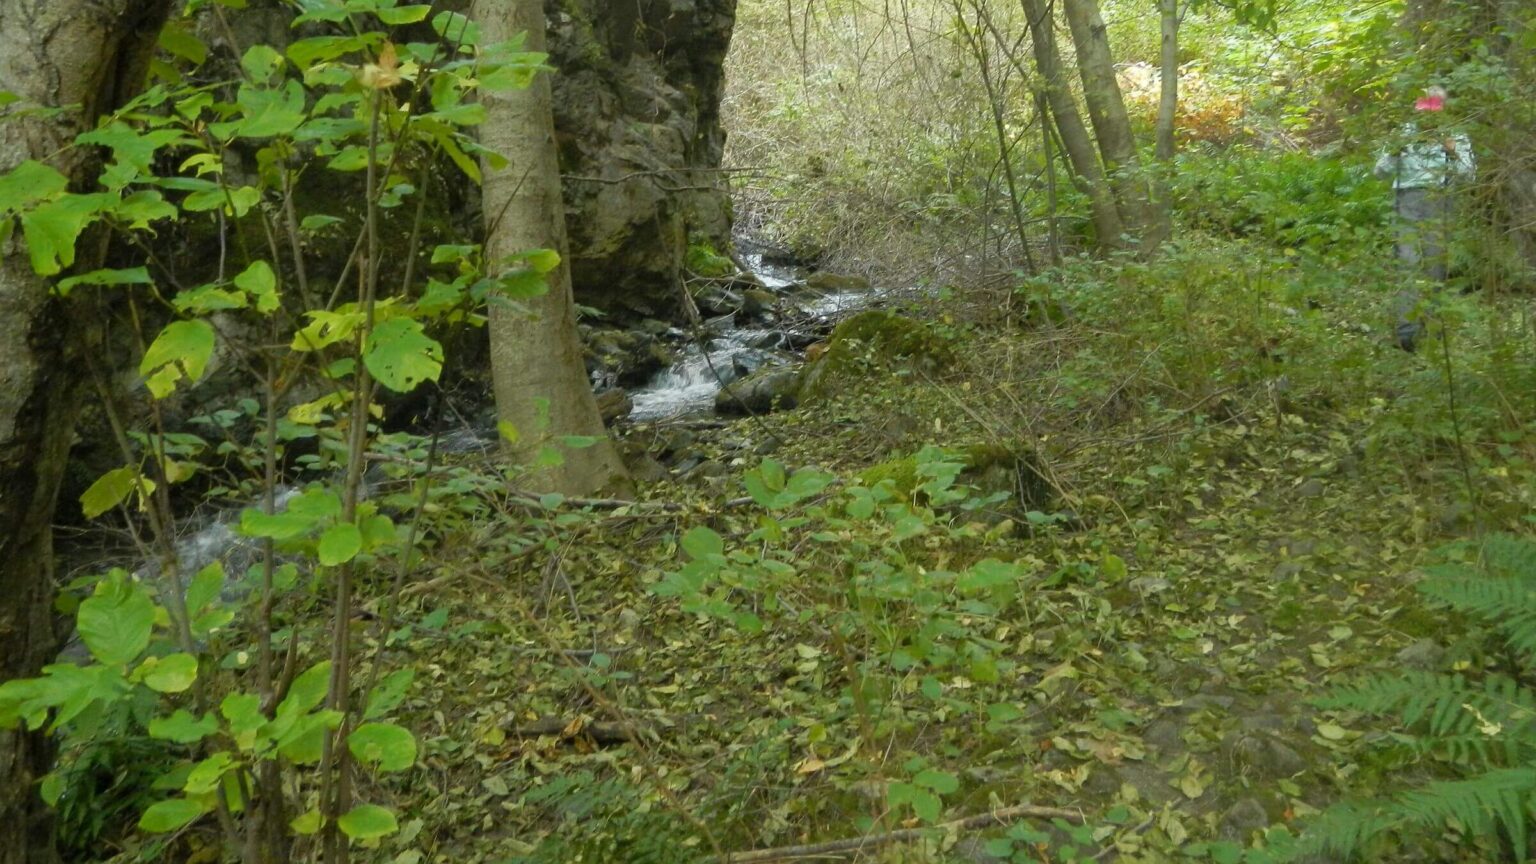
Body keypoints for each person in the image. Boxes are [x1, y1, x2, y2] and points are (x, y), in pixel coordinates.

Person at [1373, 85, 1475, 351]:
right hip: (1405, 200)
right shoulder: (1402, 134)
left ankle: (1434, 325)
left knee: (1435, 263)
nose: (1427, 119)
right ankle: (1406, 331)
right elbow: (1379, 172)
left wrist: (1452, 150)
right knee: (1406, 261)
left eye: (1433, 112)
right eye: (1424, 112)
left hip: (1439, 200)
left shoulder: (1456, 135)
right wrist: (1395, 151)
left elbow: (1469, 175)